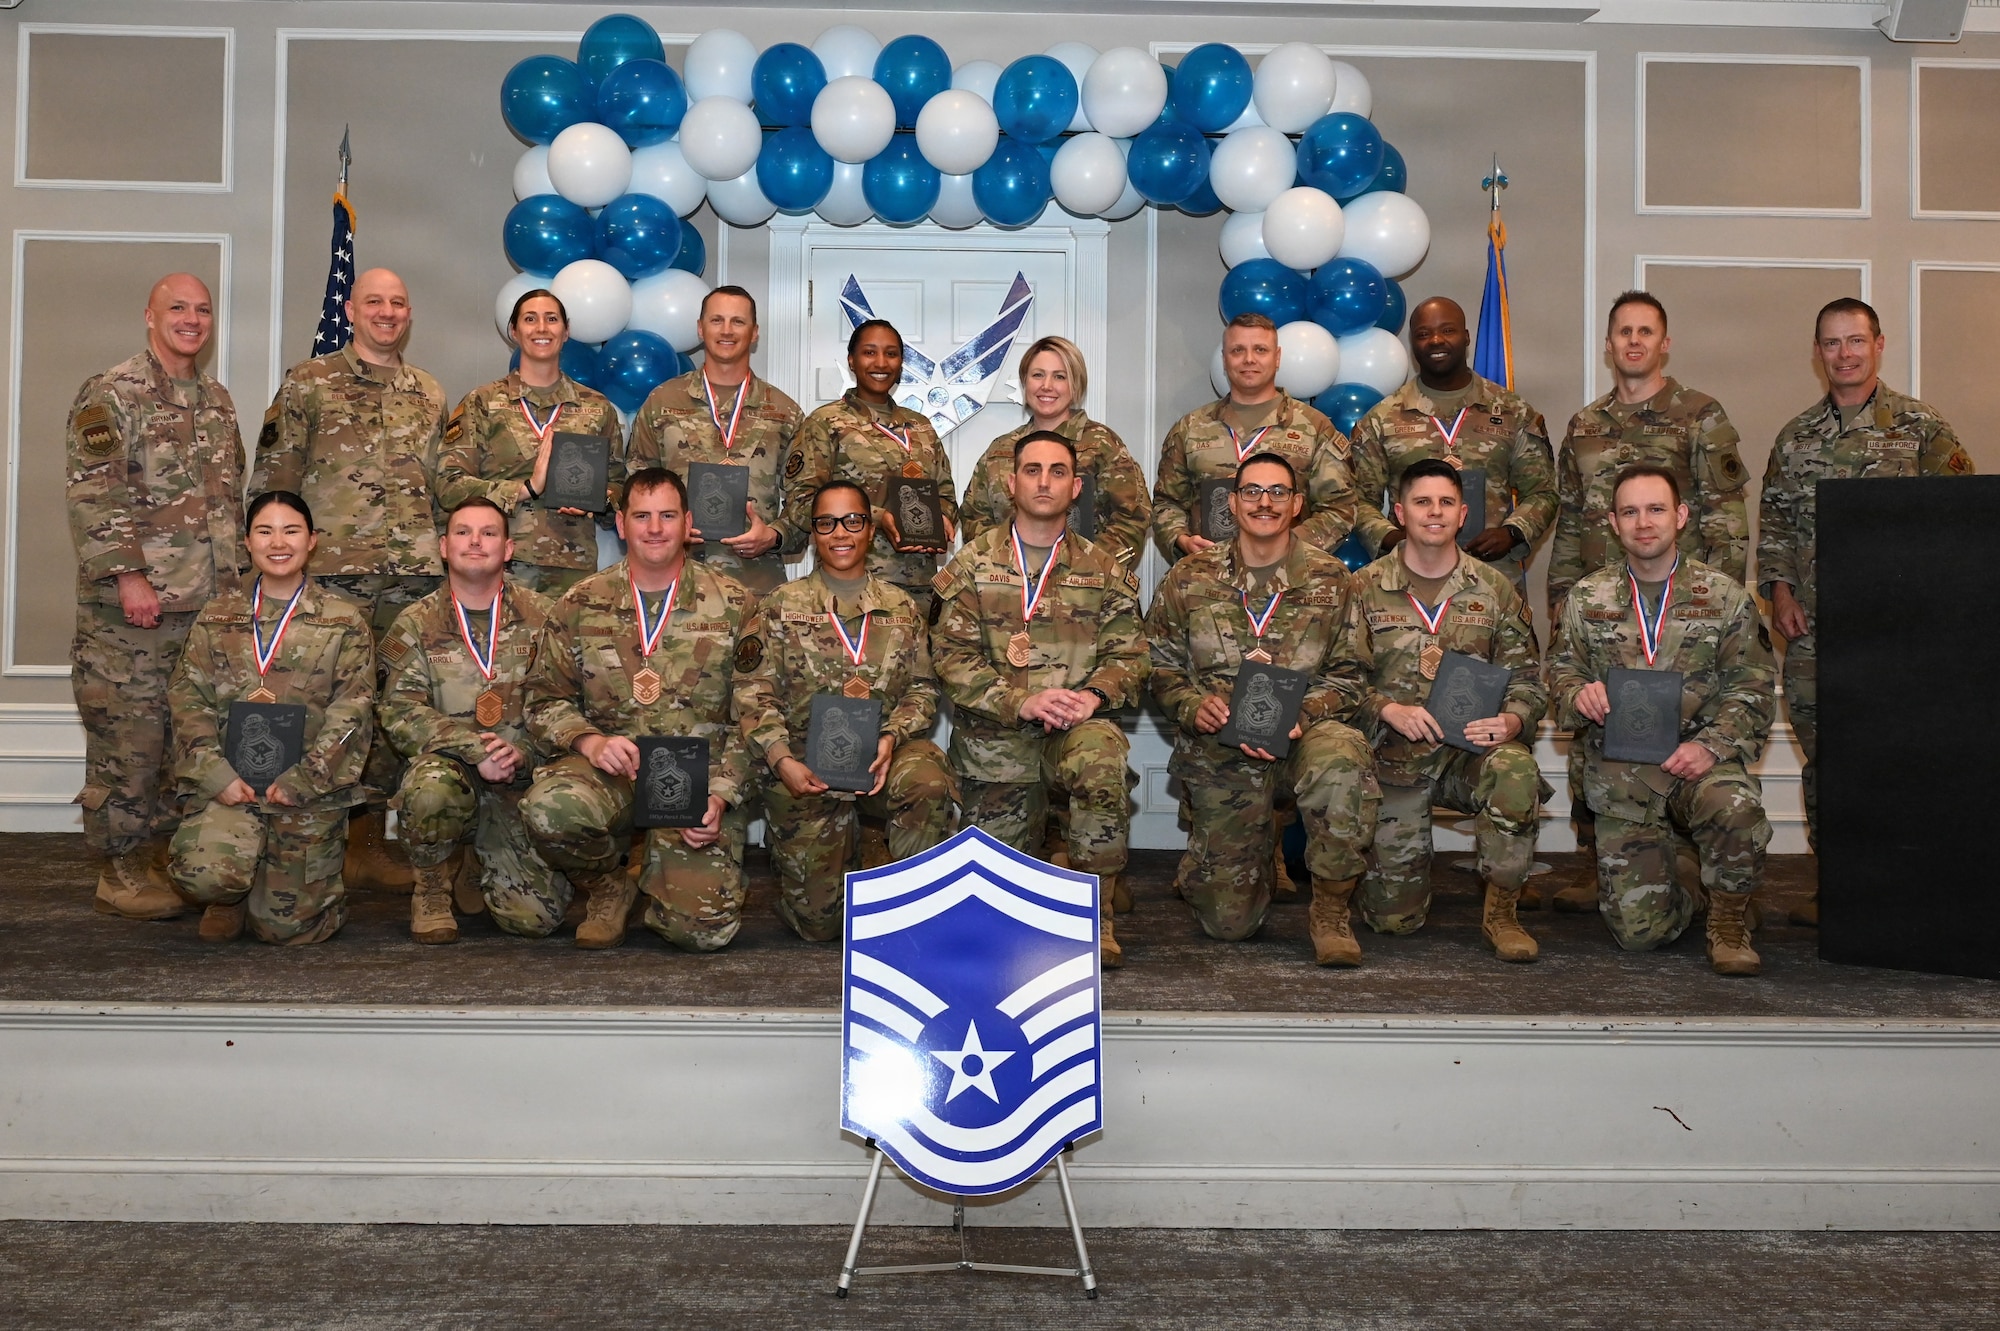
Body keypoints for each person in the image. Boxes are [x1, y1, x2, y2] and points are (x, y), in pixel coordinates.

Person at [1759, 297, 1975, 926]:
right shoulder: (1796, 436)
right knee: (1826, 758)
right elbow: (1774, 524)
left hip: (1899, 634)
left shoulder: (1922, 429)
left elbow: (1960, 522)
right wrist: (1779, 591)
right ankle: (1839, 883)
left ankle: (1907, 884)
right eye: (1831, 343)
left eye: (1855, 341)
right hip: (1815, 634)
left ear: (1879, 344)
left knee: (1900, 753)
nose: (1844, 355)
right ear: (1816, 351)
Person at [1547, 292, 1751, 915]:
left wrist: (1709, 610)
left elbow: (1725, 519)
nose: (1634, 342)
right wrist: (1561, 603)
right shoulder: (1584, 424)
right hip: (1606, 614)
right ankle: (1604, 861)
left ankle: (1693, 864)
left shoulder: (1699, 414)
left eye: (1646, 332)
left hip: (1680, 616)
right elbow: (1571, 522)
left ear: (1665, 343)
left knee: (1680, 744)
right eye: (1623, 333)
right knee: (1598, 735)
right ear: (1608, 346)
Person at [252, 267, 448, 890]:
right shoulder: (307, 384)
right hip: (333, 579)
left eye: (398, 302)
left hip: (413, 579)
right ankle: (302, 841)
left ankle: (367, 844)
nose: (387, 312)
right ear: (352, 310)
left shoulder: (430, 393)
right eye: (374, 302)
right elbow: (275, 485)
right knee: (315, 708)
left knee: (396, 710)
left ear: (408, 314)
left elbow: (443, 488)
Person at [1146, 452, 1380, 964]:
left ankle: (1331, 912)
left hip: (1302, 738)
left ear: (1297, 504)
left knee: (1343, 756)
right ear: (1231, 503)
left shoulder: (1332, 578)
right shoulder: (1189, 577)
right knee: (1228, 926)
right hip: (1220, 747)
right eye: (1252, 491)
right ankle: (1218, 858)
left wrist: (1305, 713)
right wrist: (1191, 704)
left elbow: (1353, 674)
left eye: (1278, 492)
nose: (1264, 503)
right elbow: (1156, 664)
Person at [65, 273, 246, 921]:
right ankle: (120, 870)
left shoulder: (217, 400)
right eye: (177, 308)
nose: (191, 319)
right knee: (130, 737)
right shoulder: (112, 394)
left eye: (201, 309)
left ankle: (175, 856)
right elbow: (95, 493)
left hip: (208, 609)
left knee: (188, 737)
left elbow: (230, 501)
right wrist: (128, 576)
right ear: (150, 315)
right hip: (134, 614)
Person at [931, 432, 1148, 968]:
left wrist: (1094, 696)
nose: (1043, 481)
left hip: (1077, 728)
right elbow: (950, 656)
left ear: (1075, 488)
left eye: (1056, 472)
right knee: (993, 922)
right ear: (1011, 483)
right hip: (995, 743)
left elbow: (1132, 655)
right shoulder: (972, 566)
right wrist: (1017, 701)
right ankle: (1052, 862)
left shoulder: (1105, 569)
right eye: (1032, 470)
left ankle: (1096, 916)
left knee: (1103, 761)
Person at [1547, 465, 1775, 975]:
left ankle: (1729, 923)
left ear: (1681, 516)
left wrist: (1711, 748)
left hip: (1698, 759)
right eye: (1629, 511)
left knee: (1735, 807)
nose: (1643, 522)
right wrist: (1578, 694)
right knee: (1640, 937)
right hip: (1622, 770)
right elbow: (1560, 673)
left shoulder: (1725, 597)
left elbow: (1753, 688)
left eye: (1655, 509)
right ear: (1612, 522)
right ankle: (1693, 879)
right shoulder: (1587, 598)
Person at [518, 468, 752, 951]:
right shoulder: (581, 602)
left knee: (700, 933)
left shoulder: (734, 604)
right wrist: (590, 740)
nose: (654, 528)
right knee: (551, 810)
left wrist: (722, 796)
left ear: (688, 523)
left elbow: (757, 716)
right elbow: (543, 699)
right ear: (621, 525)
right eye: (641, 516)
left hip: (696, 781)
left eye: (667, 515)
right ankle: (608, 883)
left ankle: (663, 870)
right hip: (611, 773)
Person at [732, 481, 955, 940]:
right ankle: (838, 854)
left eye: (853, 521)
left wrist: (893, 737)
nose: (840, 533)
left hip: (883, 759)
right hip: (806, 772)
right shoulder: (778, 608)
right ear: (813, 533)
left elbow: (922, 689)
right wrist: (782, 761)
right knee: (820, 926)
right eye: (826, 523)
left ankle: (908, 896)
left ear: (870, 529)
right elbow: (753, 693)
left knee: (928, 778)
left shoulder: (902, 609)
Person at [1350, 459, 1548, 962]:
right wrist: (1384, 707)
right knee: (1392, 922)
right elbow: (1336, 680)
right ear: (1400, 512)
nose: (1433, 513)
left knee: (1515, 767)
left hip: (1468, 757)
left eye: (1444, 503)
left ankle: (1502, 913)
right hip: (1390, 760)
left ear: (1462, 514)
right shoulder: (1362, 588)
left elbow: (1528, 680)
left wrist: (1514, 719)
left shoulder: (1494, 589)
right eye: (1421, 502)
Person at [166, 491, 375, 944]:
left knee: (289, 930)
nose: (278, 542)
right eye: (265, 531)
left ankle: (289, 891)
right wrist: (215, 774)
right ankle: (229, 895)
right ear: (247, 542)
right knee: (205, 874)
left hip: (304, 791)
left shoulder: (344, 621)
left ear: (312, 540)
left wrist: (306, 778)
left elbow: (353, 713)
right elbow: (188, 699)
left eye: (291, 530)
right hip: (231, 787)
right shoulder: (216, 616)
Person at [377, 497, 563, 943]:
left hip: (522, 774)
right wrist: (475, 749)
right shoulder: (413, 624)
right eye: (463, 532)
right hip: (450, 771)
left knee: (534, 921)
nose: (475, 542)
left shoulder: (548, 617)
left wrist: (524, 752)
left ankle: (480, 860)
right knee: (429, 788)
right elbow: (400, 711)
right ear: (443, 546)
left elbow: (567, 699)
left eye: (488, 533)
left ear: (509, 548)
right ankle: (433, 884)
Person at [1347, 296, 1555, 587]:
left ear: (1466, 336)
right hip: (1408, 581)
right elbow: (1357, 500)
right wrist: (1393, 538)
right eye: (1423, 334)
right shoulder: (1382, 419)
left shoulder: (1513, 413)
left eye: (1447, 330)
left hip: (1492, 582)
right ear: (1412, 344)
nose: (1435, 340)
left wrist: (1512, 533)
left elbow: (1543, 491)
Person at [435, 289, 624, 598]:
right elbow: (449, 487)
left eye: (552, 319)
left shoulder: (597, 407)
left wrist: (598, 500)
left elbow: (618, 484)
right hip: (498, 563)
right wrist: (526, 489)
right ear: (514, 331)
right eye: (530, 319)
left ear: (566, 332)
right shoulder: (482, 402)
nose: (541, 328)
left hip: (572, 566)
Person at [628, 286, 805, 597]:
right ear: (700, 328)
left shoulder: (784, 411)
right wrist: (665, 528)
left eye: (738, 322)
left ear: (754, 333)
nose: (726, 331)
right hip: (672, 580)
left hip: (756, 584)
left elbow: (805, 498)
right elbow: (635, 484)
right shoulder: (662, 401)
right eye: (716, 320)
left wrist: (775, 536)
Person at [1152, 312, 1354, 564]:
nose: (1249, 359)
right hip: (1207, 579)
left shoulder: (1314, 427)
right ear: (1224, 359)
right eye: (1237, 350)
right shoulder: (1191, 428)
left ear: (1277, 357)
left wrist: (1285, 546)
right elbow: (1166, 503)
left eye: (1260, 349)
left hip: (1290, 581)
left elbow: (1339, 508)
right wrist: (1181, 539)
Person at [788, 319, 957, 618]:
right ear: (852, 360)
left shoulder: (921, 426)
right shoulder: (825, 423)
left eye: (891, 354)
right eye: (870, 352)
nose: (881, 362)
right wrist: (879, 519)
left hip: (919, 589)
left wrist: (943, 519)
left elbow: (945, 493)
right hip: (853, 586)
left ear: (901, 363)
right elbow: (803, 505)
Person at [960, 335, 1151, 568]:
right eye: (1037, 375)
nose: (1046, 386)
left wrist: (1086, 568)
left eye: (1059, 376)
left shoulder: (1103, 445)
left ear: (1076, 384)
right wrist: (1006, 564)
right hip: (1008, 588)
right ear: (1025, 382)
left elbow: (1132, 518)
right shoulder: (1000, 450)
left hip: (1085, 589)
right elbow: (974, 517)